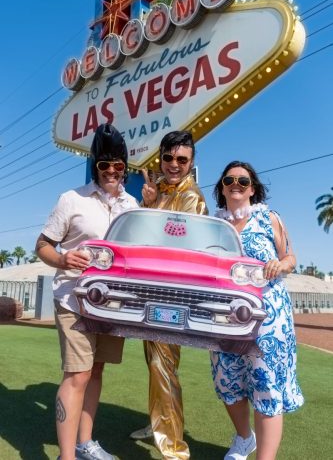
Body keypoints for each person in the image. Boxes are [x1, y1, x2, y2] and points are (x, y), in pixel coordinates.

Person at [35, 123, 138, 460]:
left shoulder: (132, 205)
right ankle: (67, 456)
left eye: (117, 166)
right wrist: (62, 257)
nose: (111, 171)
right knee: (77, 373)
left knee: (96, 370)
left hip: (112, 304)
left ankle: (85, 443)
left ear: (124, 168)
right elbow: (43, 245)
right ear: (95, 166)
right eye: (104, 165)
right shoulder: (72, 198)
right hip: (73, 297)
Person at [210, 161, 304, 460]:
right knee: (227, 383)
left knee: (267, 388)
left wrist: (281, 265)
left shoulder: (268, 218)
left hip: (267, 317)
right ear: (222, 187)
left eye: (242, 180)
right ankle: (243, 438)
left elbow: (289, 256)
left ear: (252, 188)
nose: (235, 184)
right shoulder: (216, 225)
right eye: (229, 179)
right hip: (224, 316)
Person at [131, 131, 207, 459]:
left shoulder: (192, 197)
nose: (173, 165)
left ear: (191, 163)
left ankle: (175, 448)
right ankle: (158, 419)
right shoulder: (158, 191)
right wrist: (148, 204)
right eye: (168, 158)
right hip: (150, 289)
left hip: (172, 295)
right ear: (160, 158)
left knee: (163, 366)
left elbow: (182, 246)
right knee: (154, 362)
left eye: (181, 160)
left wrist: (151, 209)